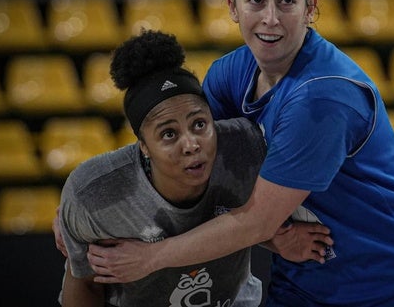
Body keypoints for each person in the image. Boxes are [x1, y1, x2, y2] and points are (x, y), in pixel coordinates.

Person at [85, 0, 394, 307]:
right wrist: (85, 204)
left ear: (310, 8)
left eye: (286, 0)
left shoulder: (323, 98)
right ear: (233, 7)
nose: (270, 18)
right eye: (255, 0)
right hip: (305, 280)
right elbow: (190, 169)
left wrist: (150, 258)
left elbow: (257, 220)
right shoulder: (230, 73)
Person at [56, 29, 333, 306]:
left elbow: (256, 217)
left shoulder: (245, 148)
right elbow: (86, 284)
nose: (191, 144)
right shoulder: (96, 193)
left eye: (199, 124)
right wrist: (74, 224)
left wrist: (275, 236)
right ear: (143, 146)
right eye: (169, 134)